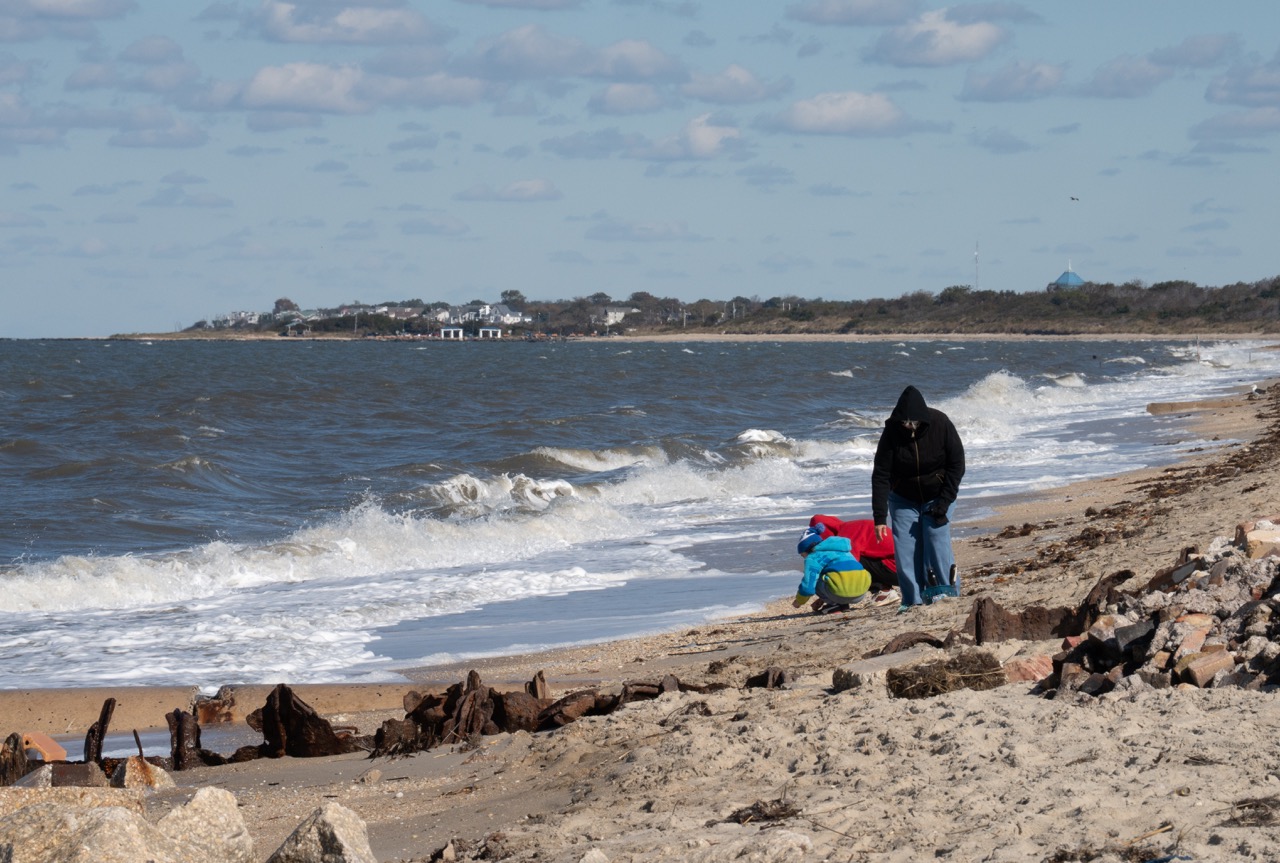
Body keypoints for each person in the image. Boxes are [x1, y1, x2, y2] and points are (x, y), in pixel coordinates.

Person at [871, 385, 965, 613]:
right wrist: (879, 518)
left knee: (935, 535)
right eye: (905, 422)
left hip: (939, 493)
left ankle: (945, 591)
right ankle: (912, 600)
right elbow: (881, 475)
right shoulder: (892, 431)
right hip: (903, 497)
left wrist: (944, 502)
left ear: (923, 418)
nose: (909, 426)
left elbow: (956, 465)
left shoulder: (940, 423)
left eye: (913, 423)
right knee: (905, 545)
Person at [808, 514, 900, 606]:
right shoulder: (851, 526)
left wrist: (831, 597)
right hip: (904, 567)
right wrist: (824, 598)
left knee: (848, 563)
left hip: (897, 570)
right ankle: (884, 590)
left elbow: (847, 568)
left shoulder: (845, 534)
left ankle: (885, 591)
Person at [792, 524, 872, 614]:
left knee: (814, 577)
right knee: (837, 574)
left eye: (803, 555)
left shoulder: (813, 557)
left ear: (808, 550)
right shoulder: (844, 551)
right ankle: (841, 604)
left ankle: (834, 605)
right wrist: (822, 600)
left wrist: (799, 602)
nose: (804, 558)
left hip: (840, 593)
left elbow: (808, 587)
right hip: (861, 593)